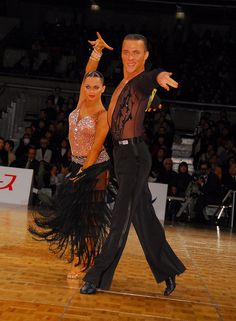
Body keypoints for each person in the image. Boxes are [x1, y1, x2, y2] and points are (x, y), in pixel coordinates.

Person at [81, 34, 186, 296]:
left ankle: (96, 276)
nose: (130, 57)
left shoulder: (142, 80)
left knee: (120, 218)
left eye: (136, 52)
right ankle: (168, 269)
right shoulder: (122, 84)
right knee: (143, 218)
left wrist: (159, 76)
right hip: (122, 156)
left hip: (135, 158)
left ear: (146, 56)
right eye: (127, 52)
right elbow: (90, 83)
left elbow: (152, 79)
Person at [29, 32, 114, 279]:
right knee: (75, 217)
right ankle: (82, 257)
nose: (90, 90)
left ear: (103, 89)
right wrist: (97, 51)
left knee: (88, 218)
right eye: (87, 86)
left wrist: (83, 174)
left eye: (95, 87)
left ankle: (83, 261)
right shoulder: (81, 101)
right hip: (78, 165)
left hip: (96, 169)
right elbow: (89, 71)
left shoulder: (102, 114)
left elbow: (96, 147)